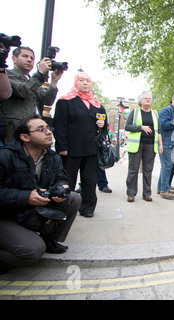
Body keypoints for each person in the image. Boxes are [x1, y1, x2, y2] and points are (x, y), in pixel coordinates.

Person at [0, 115, 81, 274]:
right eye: (40, 129)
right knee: (32, 251)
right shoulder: (5, 156)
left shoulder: (52, 156)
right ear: (25, 137)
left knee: (73, 198)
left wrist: (61, 187)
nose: (48, 132)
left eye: (48, 128)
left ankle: (48, 238)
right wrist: (26, 197)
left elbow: (61, 177)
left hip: (32, 211)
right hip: (7, 215)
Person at [53, 72, 108, 218]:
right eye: (82, 80)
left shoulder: (97, 105)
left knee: (90, 181)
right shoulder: (66, 101)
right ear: (76, 82)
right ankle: (64, 206)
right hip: (72, 149)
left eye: (88, 81)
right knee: (68, 180)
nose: (85, 83)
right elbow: (59, 126)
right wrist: (62, 147)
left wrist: (103, 125)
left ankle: (87, 208)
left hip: (91, 149)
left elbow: (104, 127)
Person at [0, 46, 63, 144]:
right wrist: (39, 74)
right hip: (15, 129)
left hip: (34, 130)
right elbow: (23, 91)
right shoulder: (7, 75)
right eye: (25, 56)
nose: (29, 60)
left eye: (32, 58)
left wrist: (54, 81)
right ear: (14, 59)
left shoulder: (32, 79)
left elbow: (47, 100)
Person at [125, 91, 162, 202]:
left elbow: (158, 130)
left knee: (148, 171)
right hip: (136, 145)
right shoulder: (134, 112)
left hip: (150, 145)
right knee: (133, 170)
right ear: (140, 101)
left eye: (149, 98)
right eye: (145, 98)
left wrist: (161, 144)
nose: (148, 100)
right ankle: (131, 193)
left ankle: (147, 194)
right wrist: (141, 127)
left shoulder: (155, 113)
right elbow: (127, 126)